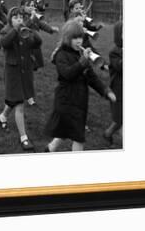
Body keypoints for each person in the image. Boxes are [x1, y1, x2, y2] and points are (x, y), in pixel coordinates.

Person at [44, 20, 117, 152]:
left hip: (79, 101)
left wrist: (105, 91)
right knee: (77, 136)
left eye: (80, 38)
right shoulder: (61, 55)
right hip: (66, 101)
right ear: (67, 38)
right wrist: (83, 61)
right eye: (75, 38)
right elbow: (68, 74)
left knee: (68, 130)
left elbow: (91, 77)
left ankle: (50, 148)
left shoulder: (79, 54)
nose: (79, 41)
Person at [0, 7, 42, 151]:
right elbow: (4, 43)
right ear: (10, 19)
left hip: (25, 72)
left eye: (21, 17)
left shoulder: (25, 30)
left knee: (14, 99)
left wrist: (32, 29)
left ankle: (3, 117)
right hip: (13, 72)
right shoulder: (5, 30)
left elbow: (38, 43)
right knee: (19, 103)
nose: (19, 20)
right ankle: (24, 137)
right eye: (15, 17)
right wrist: (15, 30)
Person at [22, 0, 59, 105]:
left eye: (33, 5)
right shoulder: (21, 17)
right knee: (27, 72)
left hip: (34, 47)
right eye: (29, 6)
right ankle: (29, 96)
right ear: (23, 7)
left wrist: (51, 29)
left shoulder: (35, 17)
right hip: (24, 48)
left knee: (30, 71)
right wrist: (32, 18)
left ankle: (26, 91)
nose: (32, 8)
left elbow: (42, 24)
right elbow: (23, 27)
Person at [104, 21, 123, 145]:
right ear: (118, 35)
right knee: (118, 119)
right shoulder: (114, 51)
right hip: (118, 89)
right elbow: (120, 67)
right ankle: (107, 134)